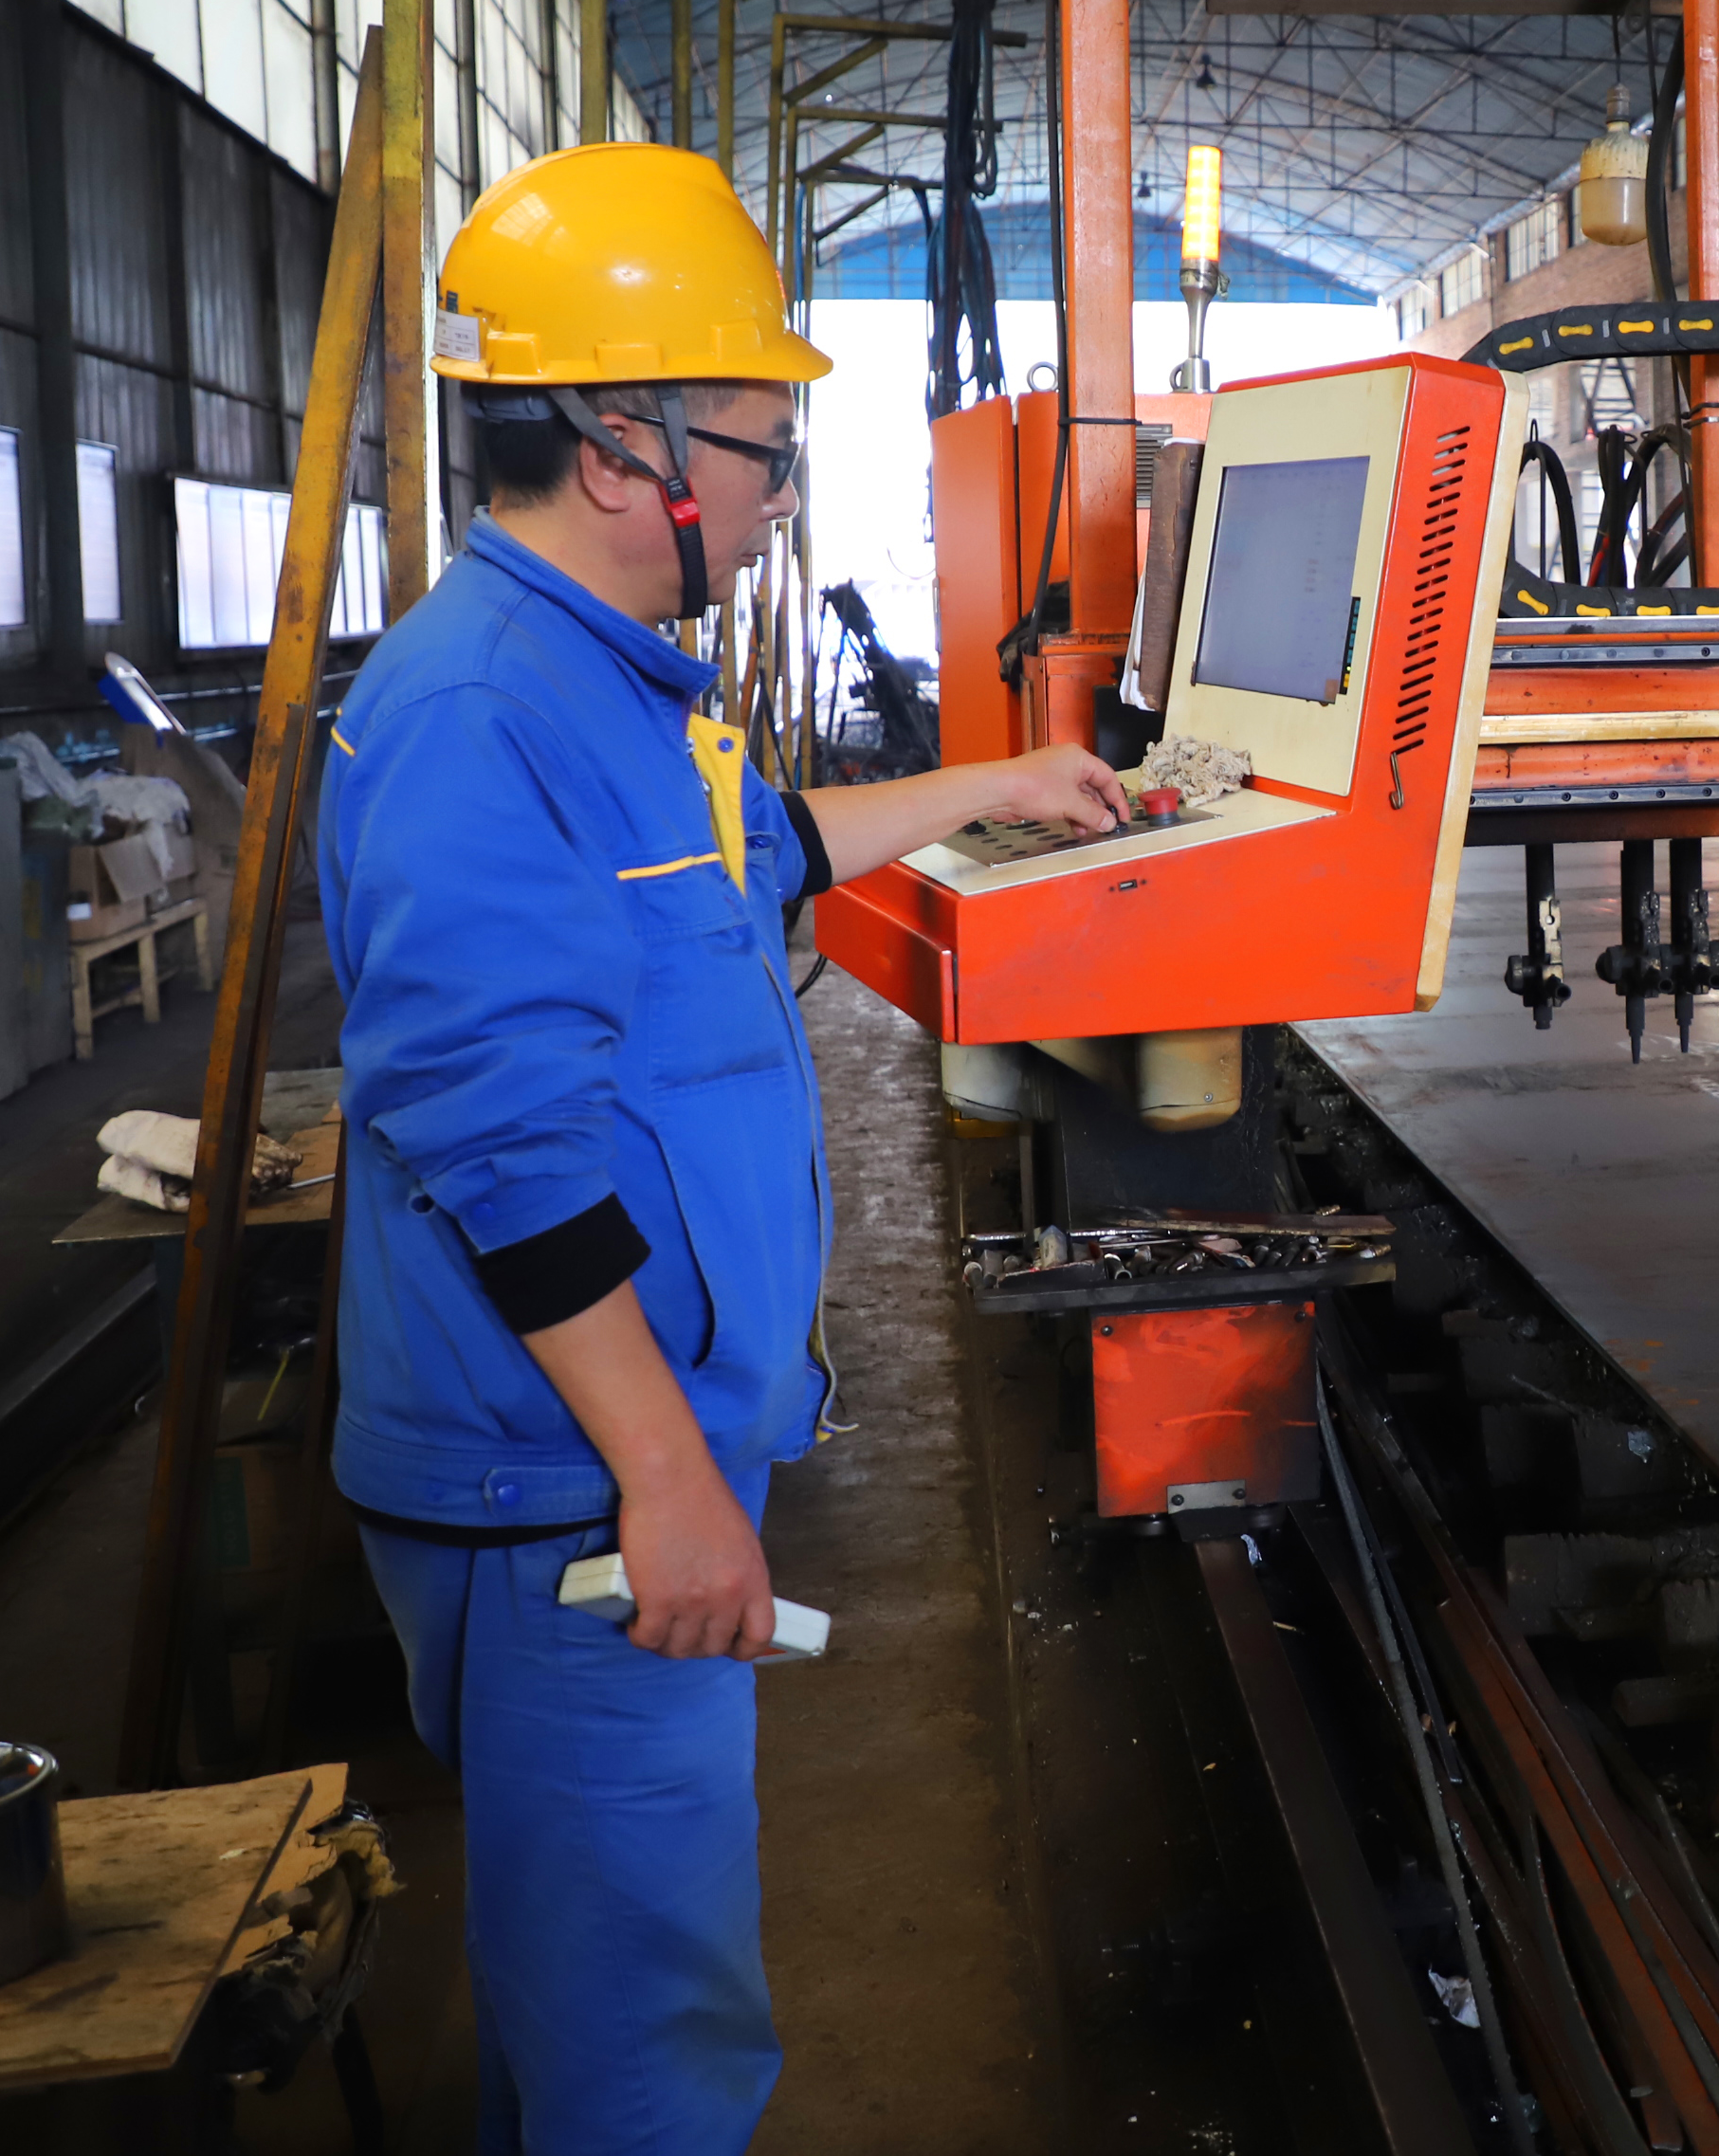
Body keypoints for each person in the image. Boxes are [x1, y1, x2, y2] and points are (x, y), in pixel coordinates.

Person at [317, 141, 1124, 2154]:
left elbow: (765, 853)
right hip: (571, 1493)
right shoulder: (483, 710)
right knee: (642, 2044)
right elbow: (501, 1140)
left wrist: (1011, 783)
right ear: (625, 449)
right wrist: (671, 1484)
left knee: (586, 1998)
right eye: (761, 451)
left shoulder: (608, 685)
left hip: (608, 1456)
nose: (778, 498)